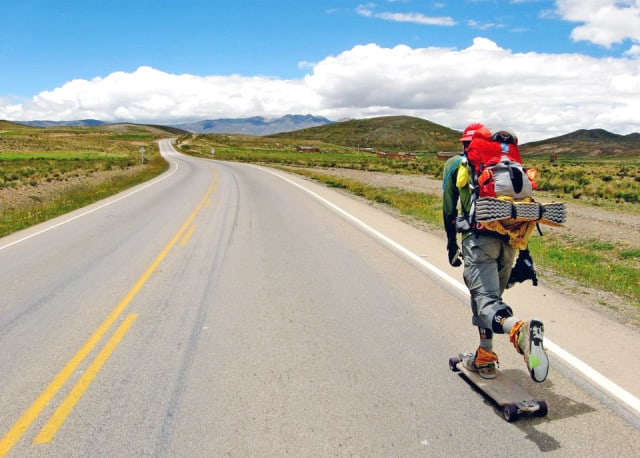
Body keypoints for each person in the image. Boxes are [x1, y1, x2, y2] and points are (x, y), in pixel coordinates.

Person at [442, 123, 549, 382]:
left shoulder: (457, 164)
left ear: (465, 143)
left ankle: (519, 332)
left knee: (486, 301)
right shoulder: (503, 166)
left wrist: (451, 244)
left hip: (478, 241)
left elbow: (448, 206)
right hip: (509, 241)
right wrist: (524, 252)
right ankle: (485, 357)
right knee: (489, 301)